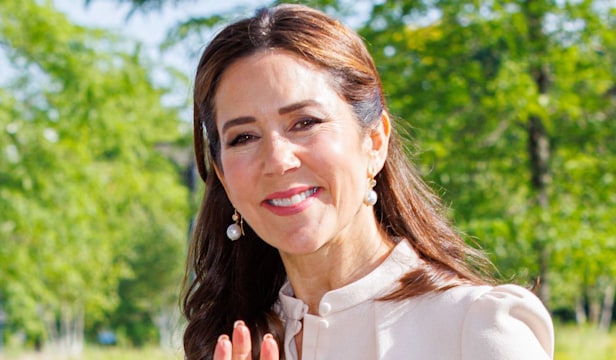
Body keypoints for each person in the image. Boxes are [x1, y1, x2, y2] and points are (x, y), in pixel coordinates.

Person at [181, 4, 554, 360]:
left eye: (305, 122)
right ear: (225, 178)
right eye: (243, 137)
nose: (278, 161)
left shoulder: (475, 328)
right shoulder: (227, 341)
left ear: (374, 141)